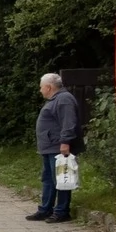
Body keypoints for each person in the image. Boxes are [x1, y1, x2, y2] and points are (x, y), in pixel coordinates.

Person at [29, 72, 81, 223]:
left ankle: (62, 211)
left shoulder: (64, 99)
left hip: (58, 147)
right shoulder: (55, 99)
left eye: (41, 87)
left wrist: (65, 142)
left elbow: (68, 122)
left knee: (61, 179)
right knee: (48, 179)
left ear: (48, 87)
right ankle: (45, 209)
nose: (40, 90)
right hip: (49, 146)